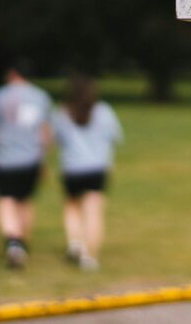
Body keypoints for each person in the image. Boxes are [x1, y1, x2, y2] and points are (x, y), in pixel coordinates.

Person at [0, 63, 52, 268]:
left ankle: (13, 242)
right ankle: (23, 242)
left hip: (5, 159)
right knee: (25, 201)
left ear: (12, 74)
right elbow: (46, 133)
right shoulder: (40, 97)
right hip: (31, 158)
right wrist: (43, 158)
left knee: (6, 200)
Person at [52, 74, 123, 270]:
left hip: (72, 169)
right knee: (94, 213)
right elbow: (116, 136)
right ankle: (89, 257)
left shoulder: (62, 113)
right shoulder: (104, 111)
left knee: (72, 207)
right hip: (98, 168)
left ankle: (75, 242)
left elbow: (55, 140)